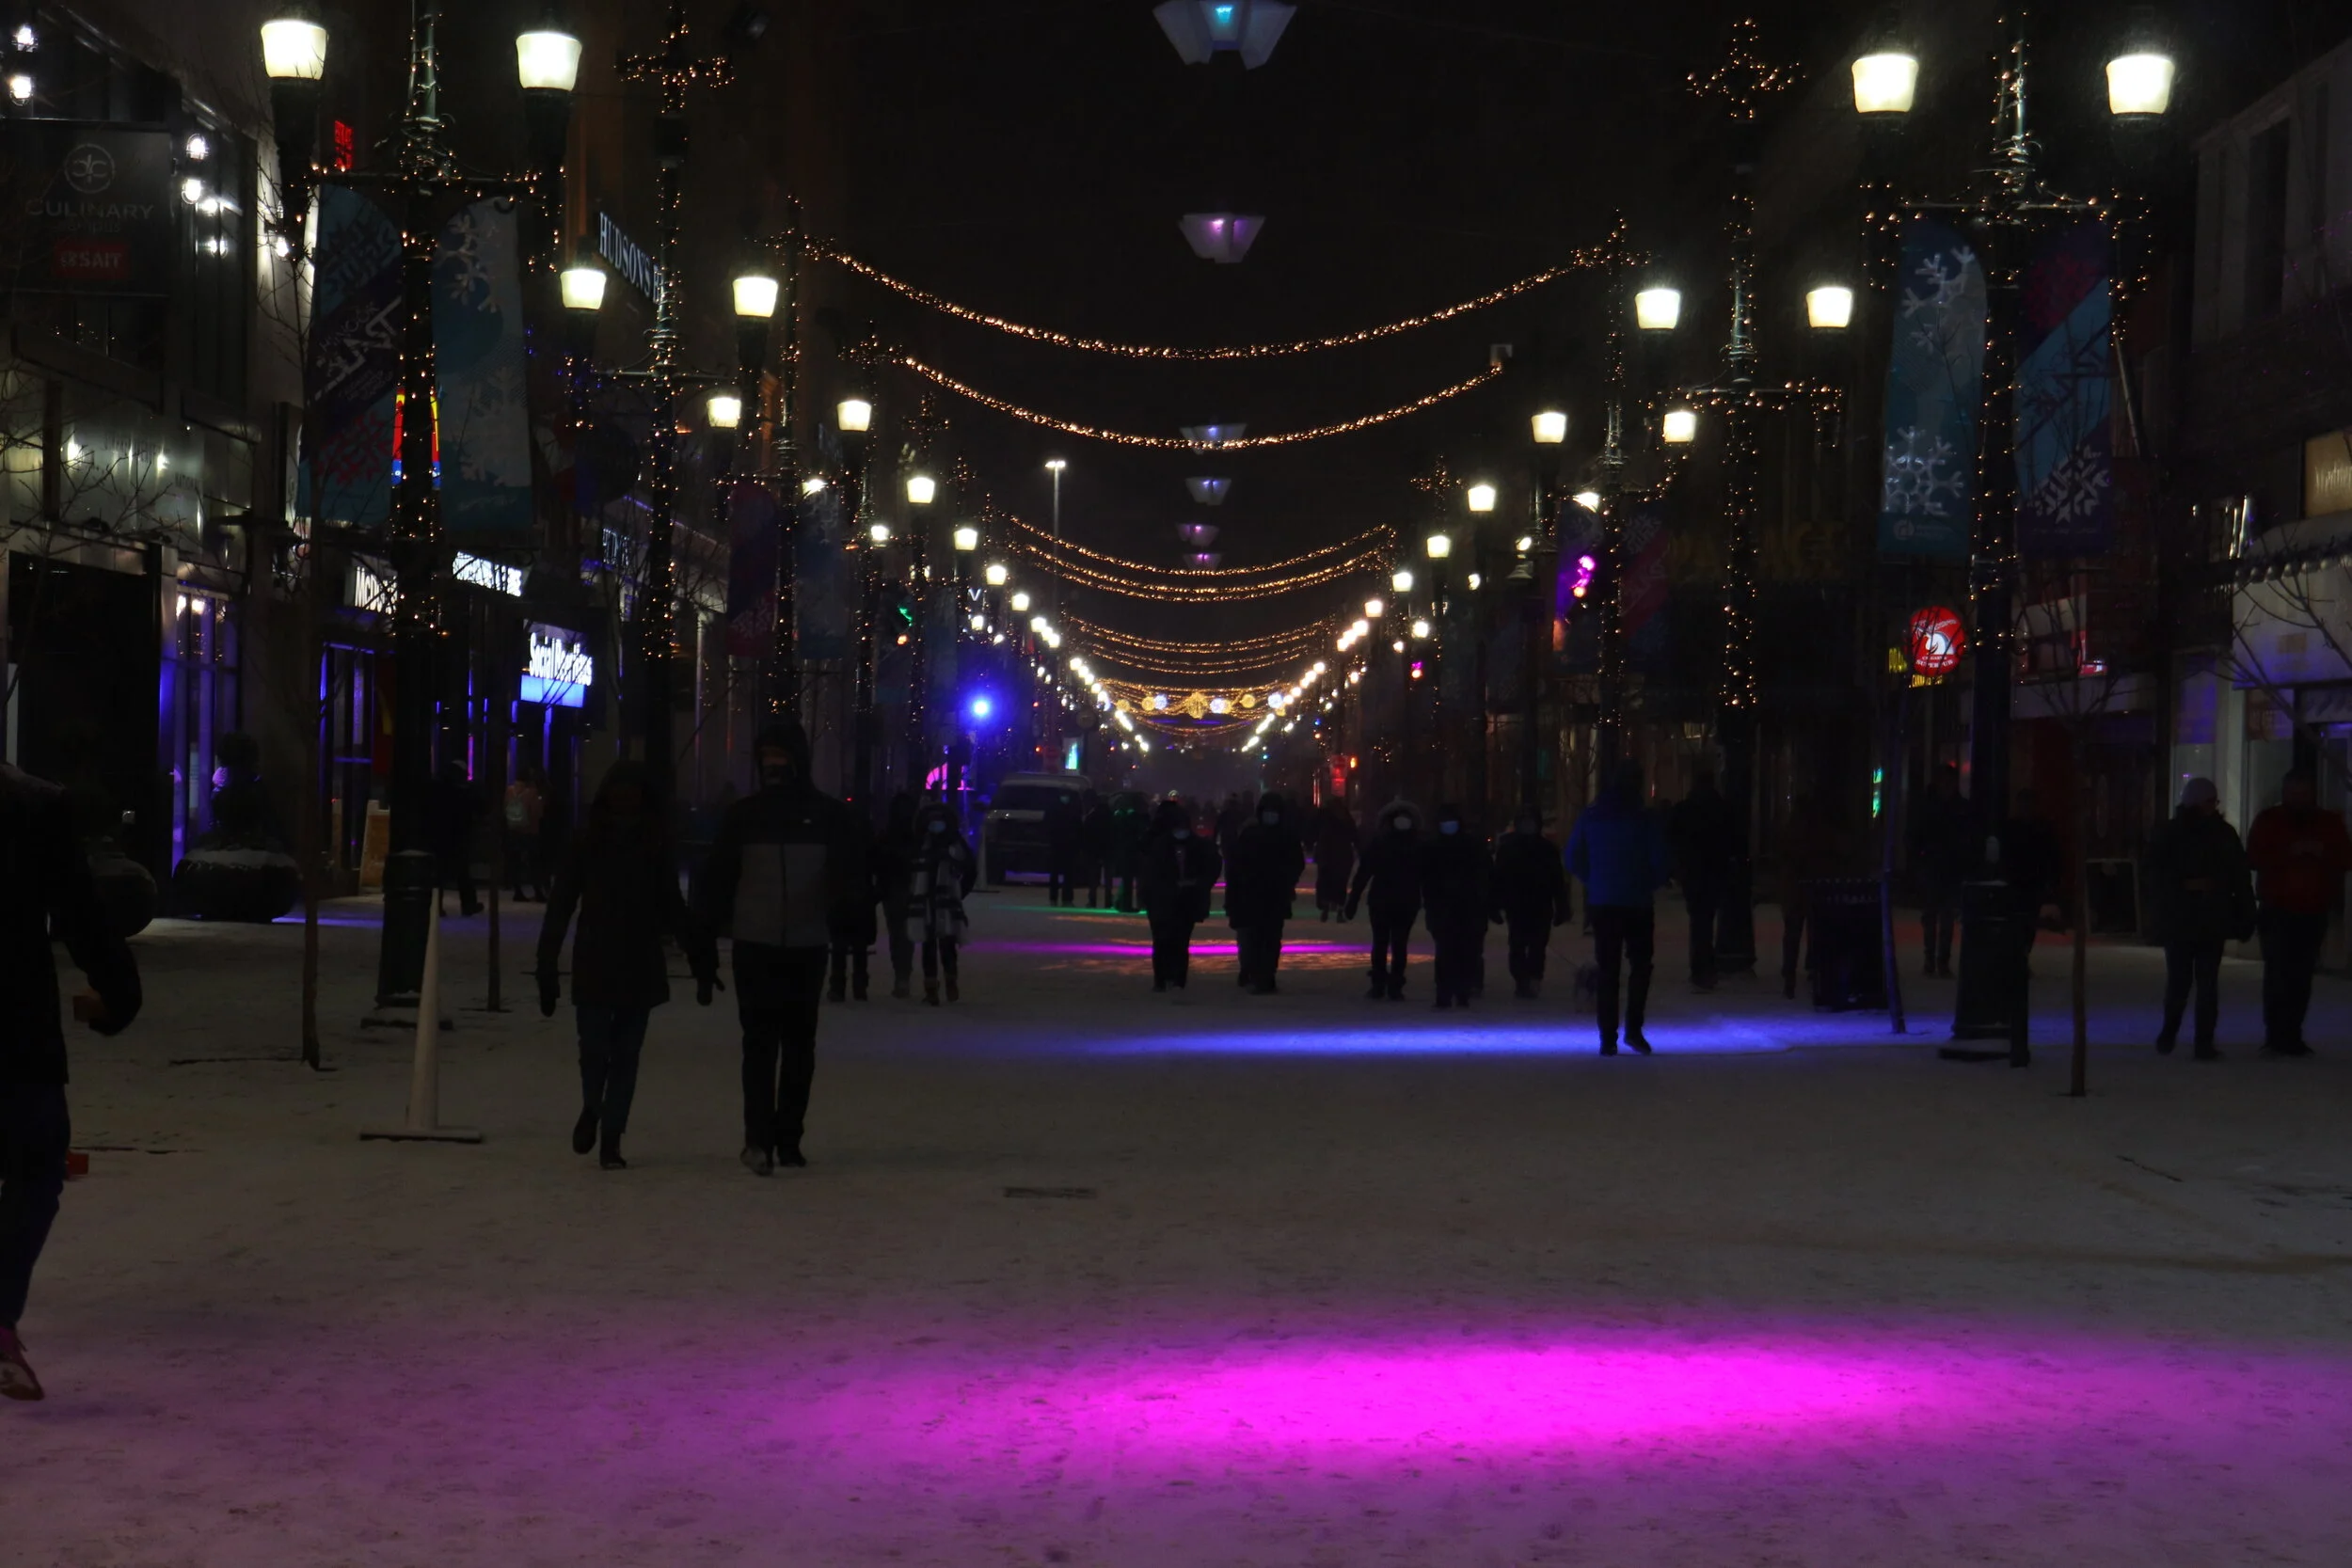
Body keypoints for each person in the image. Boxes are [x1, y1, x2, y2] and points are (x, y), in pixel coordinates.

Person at [1, 760, 141, 1401]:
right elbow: (79, 911)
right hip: (14, 1026)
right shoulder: (31, 807)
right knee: (35, 1165)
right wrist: (116, 990)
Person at [699, 719, 865, 1176]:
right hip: (757, 943)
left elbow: (849, 874)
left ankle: (786, 1137)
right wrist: (706, 934)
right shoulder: (745, 817)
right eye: (766, 757)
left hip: (805, 944)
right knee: (761, 1046)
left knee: (796, 1046)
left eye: (780, 757)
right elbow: (717, 879)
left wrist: (847, 913)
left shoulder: (825, 817)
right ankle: (760, 1138)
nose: (773, 766)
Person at [534, 761, 718, 1170]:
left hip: (626, 961)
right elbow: (562, 905)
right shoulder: (591, 843)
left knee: (616, 1053)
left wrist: (700, 957)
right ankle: (597, 1114)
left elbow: (671, 907)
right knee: (604, 1051)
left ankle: (609, 1130)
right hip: (609, 960)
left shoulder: (649, 846)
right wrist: (546, 961)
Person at [2143, 776, 2253, 1060]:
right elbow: (2154, 874)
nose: (2212, 807)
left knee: (2203, 983)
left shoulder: (2215, 834)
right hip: (2185, 918)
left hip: (2205, 918)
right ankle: (2174, 1032)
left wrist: (2243, 912)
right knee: (2184, 981)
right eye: (2208, 801)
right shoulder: (2181, 833)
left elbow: (2238, 878)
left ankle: (2197, 1039)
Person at [1566, 760, 1671, 1054]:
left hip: (1603, 902)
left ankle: (1607, 1036)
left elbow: (1573, 856)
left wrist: (1594, 880)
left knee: (1608, 968)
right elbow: (1660, 860)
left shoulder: (1592, 816)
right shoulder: (1644, 819)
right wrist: (1649, 882)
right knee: (1640, 966)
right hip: (1636, 901)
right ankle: (1634, 1030)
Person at [2244, 768, 2347, 1056]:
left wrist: (2321, 852)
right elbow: (2253, 857)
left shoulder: (2327, 823)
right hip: (2277, 907)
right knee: (2278, 973)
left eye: (2304, 794)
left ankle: (2292, 1033)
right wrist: (2288, 852)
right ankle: (2276, 1033)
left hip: (2312, 908)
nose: (2299, 799)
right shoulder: (2270, 821)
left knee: (2301, 975)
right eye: (2294, 793)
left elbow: (2345, 856)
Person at [1225, 792, 1306, 993]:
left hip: (1273, 896)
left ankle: (1265, 975)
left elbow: (1297, 863)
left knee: (1268, 938)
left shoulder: (1286, 836)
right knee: (1256, 937)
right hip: (1254, 895)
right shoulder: (1251, 835)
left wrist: (1286, 879)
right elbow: (1236, 866)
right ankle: (1256, 972)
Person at [1344, 801, 1425, 1000]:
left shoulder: (1418, 845)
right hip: (1387, 900)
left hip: (1401, 901)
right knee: (1385, 943)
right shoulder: (1381, 843)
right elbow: (1365, 872)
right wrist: (1354, 898)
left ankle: (1392, 983)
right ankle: (1382, 982)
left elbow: (1428, 875)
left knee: (1396, 943)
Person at [1491, 808, 1571, 999]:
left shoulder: (1546, 849)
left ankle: (1534, 976)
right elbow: (1498, 878)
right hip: (1516, 905)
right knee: (1518, 943)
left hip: (1540, 904)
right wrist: (1494, 904)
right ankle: (1521, 980)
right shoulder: (1508, 848)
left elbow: (1557, 880)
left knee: (1537, 944)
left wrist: (1561, 906)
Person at [1139, 800, 1219, 990]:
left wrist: (1198, 883)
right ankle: (1164, 977)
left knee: (1179, 940)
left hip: (1184, 900)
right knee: (1164, 939)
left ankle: (1175, 977)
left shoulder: (1196, 846)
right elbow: (1150, 874)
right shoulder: (1160, 846)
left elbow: (1212, 866)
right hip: (1164, 900)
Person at [1422, 804, 1491, 1009]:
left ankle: (1461, 991)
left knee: (1464, 951)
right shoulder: (1433, 848)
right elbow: (1426, 878)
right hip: (1443, 908)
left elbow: (1484, 874)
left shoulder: (1471, 846)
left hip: (1467, 907)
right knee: (1446, 951)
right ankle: (1445, 992)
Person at [1670, 770, 1734, 990]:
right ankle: (1705, 967)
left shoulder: (1686, 810)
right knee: (1705, 920)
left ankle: (1701, 968)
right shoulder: (1720, 809)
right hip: (1713, 871)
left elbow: (1673, 836)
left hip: (1694, 871)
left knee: (1699, 921)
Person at [1777, 794, 1845, 1001]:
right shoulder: (1819, 834)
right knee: (1812, 933)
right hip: (1809, 889)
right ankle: (1813, 972)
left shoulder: (1793, 831)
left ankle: (1791, 975)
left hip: (1796, 890)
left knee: (1793, 935)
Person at [912, 800, 977, 1003]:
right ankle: (931, 988)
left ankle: (950, 982)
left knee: (947, 945)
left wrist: (958, 894)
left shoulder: (954, 845)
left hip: (946, 904)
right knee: (929, 947)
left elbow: (969, 870)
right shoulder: (921, 843)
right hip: (927, 903)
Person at [1909, 763, 1972, 977]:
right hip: (1935, 866)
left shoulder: (1951, 807)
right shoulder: (1937, 806)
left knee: (1944, 917)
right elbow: (1916, 835)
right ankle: (1933, 960)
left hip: (1947, 868)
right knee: (1933, 916)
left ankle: (1940, 960)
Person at [828, 808, 880, 1004]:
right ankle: (859, 986)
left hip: (842, 900)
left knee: (840, 947)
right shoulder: (868, 845)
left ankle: (838, 986)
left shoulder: (836, 845)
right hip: (861, 900)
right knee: (858, 947)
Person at [872, 793, 919, 999]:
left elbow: (878, 862)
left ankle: (901, 977)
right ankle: (903, 976)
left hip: (891, 889)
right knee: (906, 935)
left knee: (896, 934)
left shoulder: (886, 836)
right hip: (909, 887)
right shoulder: (916, 836)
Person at [429, 758, 483, 916]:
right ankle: (468, 905)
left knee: (440, 874)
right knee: (462, 873)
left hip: (440, 835)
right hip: (459, 836)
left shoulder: (438, 788)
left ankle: (437, 906)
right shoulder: (463, 791)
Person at [505, 765, 548, 903]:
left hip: (513, 830)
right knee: (534, 862)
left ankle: (517, 891)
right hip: (529, 832)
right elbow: (537, 813)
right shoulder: (532, 793)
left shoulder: (509, 790)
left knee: (515, 862)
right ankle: (538, 891)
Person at [1312, 800, 1359, 922]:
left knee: (1325, 881)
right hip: (1342, 854)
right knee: (1340, 883)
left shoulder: (1324, 818)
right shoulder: (1345, 818)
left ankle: (1325, 906)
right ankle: (1339, 909)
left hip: (1326, 854)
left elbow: (1313, 831)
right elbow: (1354, 834)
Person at [1109, 794, 1148, 913]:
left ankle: (1123, 903)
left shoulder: (1118, 816)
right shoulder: (1136, 816)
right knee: (1133, 879)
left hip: (1124, 851)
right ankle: (1128, 904)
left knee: (1127, 880)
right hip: (1133, 851)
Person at [1045, 790, 1083, 907]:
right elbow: (1079, 827)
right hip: (1066, 845)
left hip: (1060, 844)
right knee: (1066, 874)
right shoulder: (1073, 809)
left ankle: (1056, 898)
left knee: (1059, 873)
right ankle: (1065, 899)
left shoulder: (1053, 808)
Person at [1081, 796, 1115, 908]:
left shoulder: (1092, 817)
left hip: (1094, 852)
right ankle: (1108, 900)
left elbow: (1085, 835)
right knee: (1108, 880)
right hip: (1108, 852)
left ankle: (1092, 900)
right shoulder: (1111, 817)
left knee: (1093, 880)